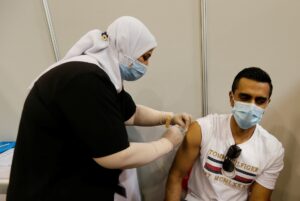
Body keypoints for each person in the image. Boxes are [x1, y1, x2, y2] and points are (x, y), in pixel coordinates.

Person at [7, 16, 192, 201]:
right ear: (126, 47)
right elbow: (116, 156)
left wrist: (168, 117)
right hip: (50, 189)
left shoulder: (103, 75)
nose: (145, 65)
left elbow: (131, 113)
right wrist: (167, 142)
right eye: (145, 57)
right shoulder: (85, 80)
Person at [165, 67, 284, 201]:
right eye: (245, 98)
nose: (252, 106)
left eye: (260, 101)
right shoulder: (202, 129)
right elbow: (175, 176)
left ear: (267, 103)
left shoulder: (272, 150)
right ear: (231, 98)